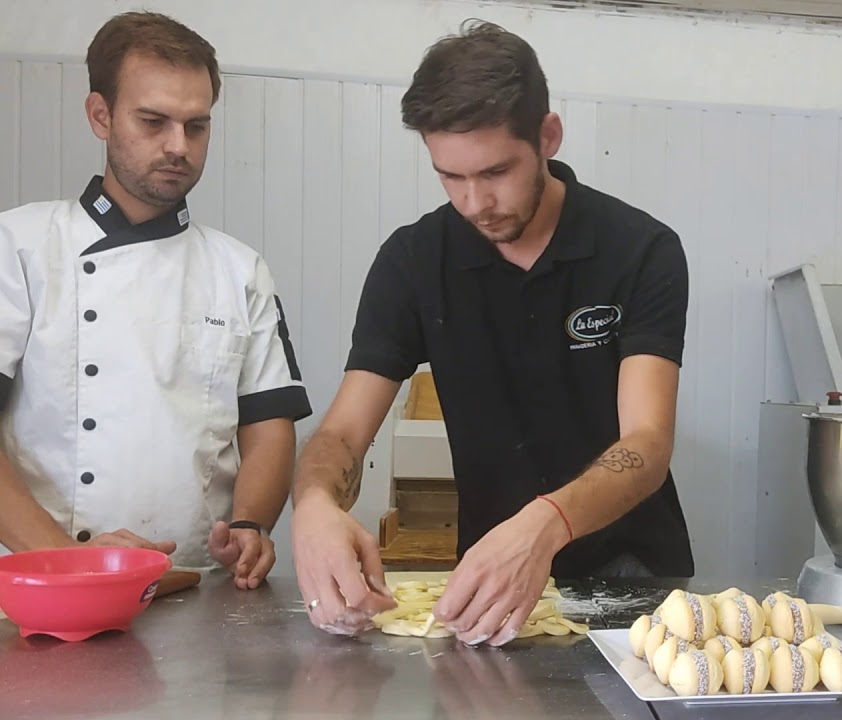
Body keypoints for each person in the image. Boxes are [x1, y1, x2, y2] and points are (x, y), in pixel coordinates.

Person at [291, 20, 695, 643]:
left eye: (496, 172)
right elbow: (343, 433)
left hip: (634, 576)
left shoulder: (639, 250)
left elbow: (646, 442)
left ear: (548, 137)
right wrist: (314, 506)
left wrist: (548, 521)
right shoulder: (414, 261)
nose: (475, 201)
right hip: (486, 584)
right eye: (450, 177)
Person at [0, 12, 312, 588]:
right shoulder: (18, 247)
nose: (178, 146)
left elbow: (267, 423)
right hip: (40, 591)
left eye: (197, 126)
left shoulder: (238, 270)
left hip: (190, 590)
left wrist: (250, 525)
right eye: (153, 121)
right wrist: (69, 563)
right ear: (100, 115)